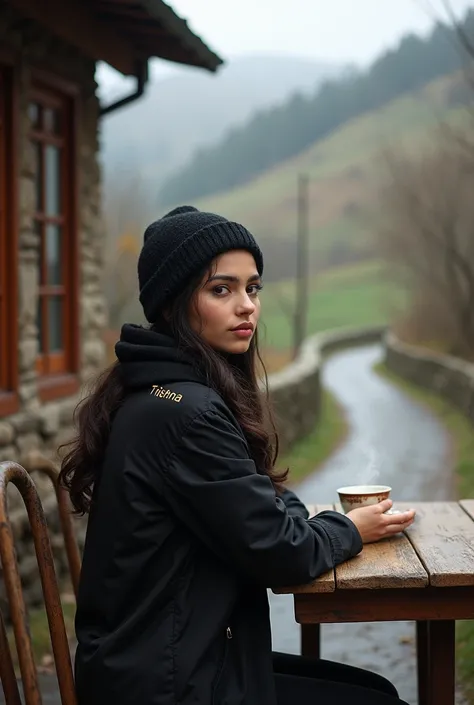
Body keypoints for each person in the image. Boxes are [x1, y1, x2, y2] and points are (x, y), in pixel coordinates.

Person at [59, 206, 416, 705]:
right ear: (172, 303)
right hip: (166, 681)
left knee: (374, 689)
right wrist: (351, 529)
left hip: (161, 659)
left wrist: (280, 511)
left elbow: (261, 500)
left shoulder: (160, 390)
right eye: (221, 289)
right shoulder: (187, 413)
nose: (246, 306)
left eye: (253, 288)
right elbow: (280, 552)